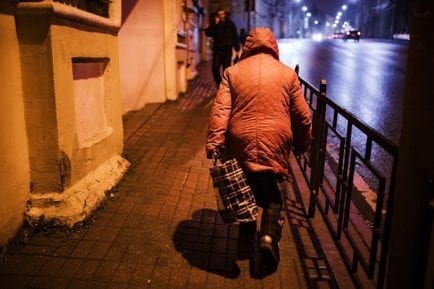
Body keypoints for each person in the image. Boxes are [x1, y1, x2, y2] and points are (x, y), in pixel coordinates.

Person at [206, 27, 312, 275]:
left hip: (239, 141)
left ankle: (245, 237)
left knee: (245, 189)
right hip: (275, 140)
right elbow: (303, 117)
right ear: (273, 46)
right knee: (273, 197)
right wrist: (302, 144)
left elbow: (220, 111)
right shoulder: (287, 75)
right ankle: (267, 238)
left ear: (248, 45)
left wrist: (214, 142)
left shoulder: (233, 72)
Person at [205, 8, 240, 86]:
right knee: (215, 68)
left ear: (224, 14)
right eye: (219, 14)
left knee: (226, 69)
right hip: (217, 50)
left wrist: (237, 48)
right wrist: (215, 24)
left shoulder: (230, 24)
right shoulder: (215, 24)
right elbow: (208, 33)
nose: (221, 16)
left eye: (222, 14)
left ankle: (224, 86)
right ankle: (218, 83)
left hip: (227, 50)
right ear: (217, 16)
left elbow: (235, 36)